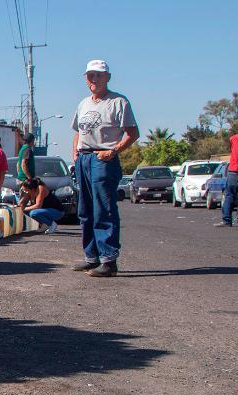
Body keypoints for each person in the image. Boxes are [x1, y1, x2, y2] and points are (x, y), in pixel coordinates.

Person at [71, 59, 139, 277]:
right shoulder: (83, 104)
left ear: (107, 77)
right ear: (85, 78)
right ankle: (91, 257)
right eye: (90, 75)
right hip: (84, 158)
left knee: (103, 209)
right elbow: (77, 132)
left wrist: (114, 150)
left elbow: (133, 133)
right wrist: (76, 153)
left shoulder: (118, 102)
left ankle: (108, 260)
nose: (94, 79)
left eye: (99, 75)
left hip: (103, 158)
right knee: (85, 210)